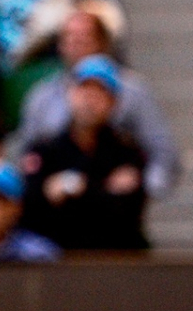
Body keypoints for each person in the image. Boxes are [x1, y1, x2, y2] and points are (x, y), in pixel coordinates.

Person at [11, 12, 181, 198]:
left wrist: (140, 189)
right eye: (70, 38)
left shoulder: (133, 92)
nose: (76, 44)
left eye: (84, 38)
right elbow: (25, 152)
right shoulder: (42, 96)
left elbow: (161, 151)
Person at [21, 56, 151, 251]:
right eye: (84, 90)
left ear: (113, 102)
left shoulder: (128, 152)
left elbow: (126, 211)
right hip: (56, 253)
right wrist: (103, 189)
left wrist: (77, 186)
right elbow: (32, 206)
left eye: (100, 93)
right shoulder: (45, 149)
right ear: (70, 93)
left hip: (114, 253)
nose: (90, 100)